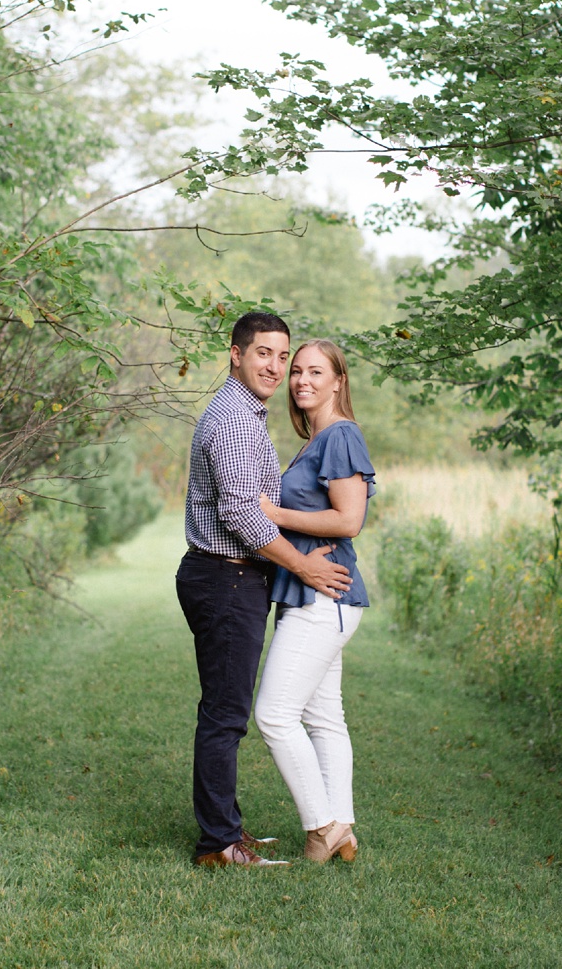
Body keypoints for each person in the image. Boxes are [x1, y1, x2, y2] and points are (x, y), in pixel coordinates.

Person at [177, 311, 352, 869]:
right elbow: (240, 514)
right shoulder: (233, 418)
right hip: (225, 575)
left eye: (284, 357)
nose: (276, 367)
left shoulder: (247, 416)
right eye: (264, 354)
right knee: (227, 715)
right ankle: (219, 844)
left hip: (235, 576)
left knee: (228, 711)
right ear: (236, 353)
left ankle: (228, 832)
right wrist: (302, 566)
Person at [253, 339, 375, 864]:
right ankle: (341, 828)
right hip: (315, 595)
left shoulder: (341, 436)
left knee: (275, 715)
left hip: (326, 598)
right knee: (325, 717)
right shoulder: (319, 438)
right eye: (295, 370)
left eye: (315, 372)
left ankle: (322, 825)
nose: (301, 380)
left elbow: (350, 520)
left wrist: (274, 515)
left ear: (338, 381)